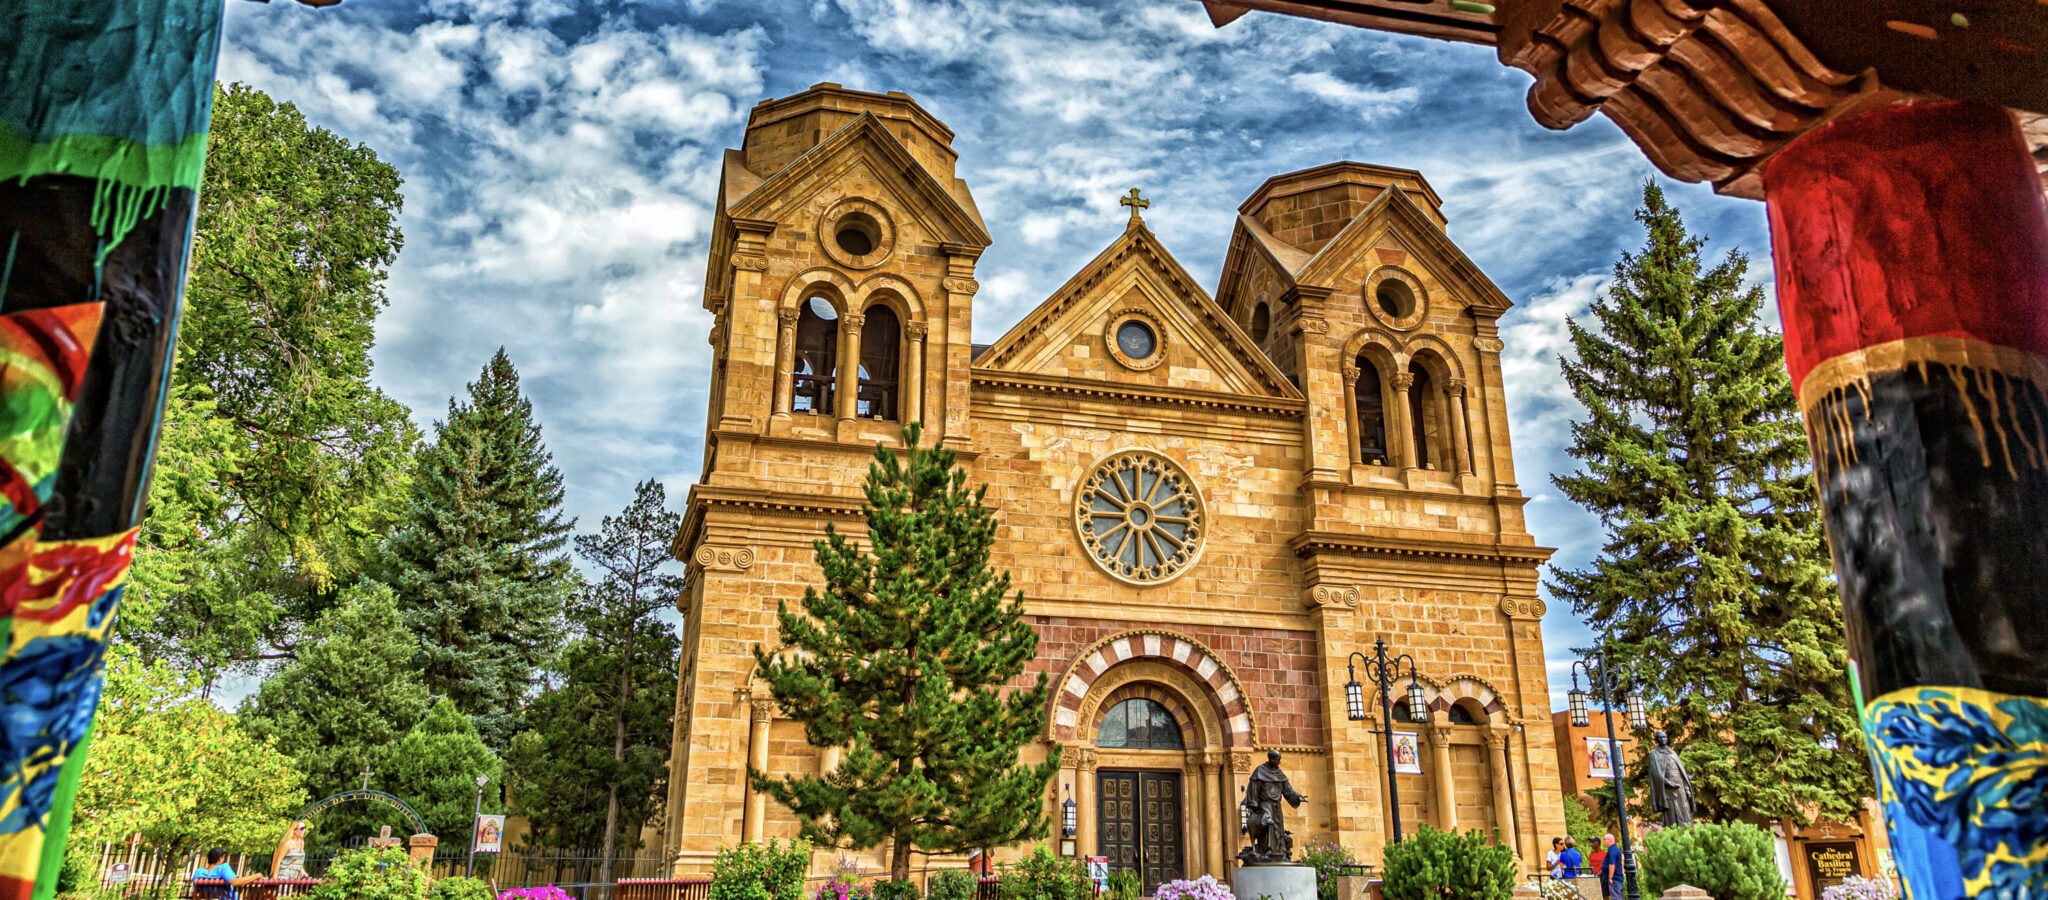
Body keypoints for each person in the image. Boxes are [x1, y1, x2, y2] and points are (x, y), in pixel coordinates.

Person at [192, 849, 262, 899]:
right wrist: (257, 875)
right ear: (220, 859)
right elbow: (235, 882)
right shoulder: (223, 868)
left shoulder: (199, 871)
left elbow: (195, 892)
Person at [1599, 834, 1624, 899]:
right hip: (1617, 878)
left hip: (1614, 879)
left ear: (1609, 840)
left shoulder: (1612, 850)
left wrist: (1610, 878)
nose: (1603, 841)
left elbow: (1612, 864)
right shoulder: (1614, 849)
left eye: (1604, 839)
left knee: (1616, 897)